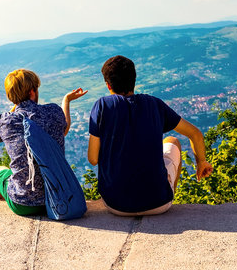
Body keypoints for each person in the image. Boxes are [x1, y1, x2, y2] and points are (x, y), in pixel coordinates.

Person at [88, 55, 213, 216]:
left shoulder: (102, 106)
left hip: (115, 205)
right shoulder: (154, 104)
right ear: (134, 79)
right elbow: (195, 134)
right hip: (159, 203)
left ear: (108, 84)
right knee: (172, 140)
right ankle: (166, 192)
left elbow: (93, 159)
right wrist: (201, 162)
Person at [0, 69, 87, 216]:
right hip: (59, 200)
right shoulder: (53, 111)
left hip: (23, 203)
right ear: (33, 91)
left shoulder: (5, 121)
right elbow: (64, 129)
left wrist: (16, 105)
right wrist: (66, 100)